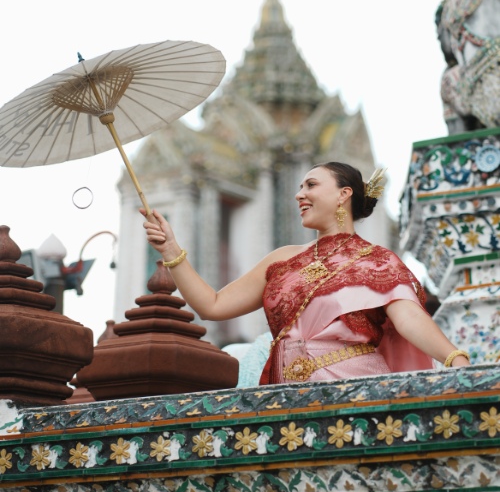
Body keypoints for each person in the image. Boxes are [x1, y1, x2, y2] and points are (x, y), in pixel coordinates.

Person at [141, 162, 471, 385]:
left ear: (344, 194)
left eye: (311, 184)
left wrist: (455, 359)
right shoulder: (283, 259)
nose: (300, 194)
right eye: (299, 186)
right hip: (282, 389)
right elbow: (212, 305)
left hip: (351, 383)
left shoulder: (377, 260)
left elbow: (409, 318)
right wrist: (171, 249)